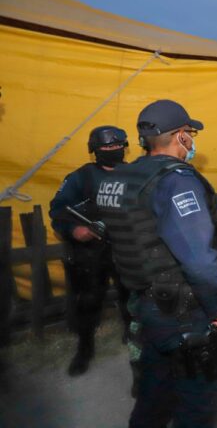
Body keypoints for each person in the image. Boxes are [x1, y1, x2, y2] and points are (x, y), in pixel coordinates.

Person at [96, 100, 217, 427]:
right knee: (198, 404)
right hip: (182, 311)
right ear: (180, 135)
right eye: (190, 132)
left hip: (144, 304)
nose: (192, 139)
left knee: (154, 394)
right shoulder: (176, 180)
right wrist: (216, 308)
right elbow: (198, 260)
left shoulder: (121, 176)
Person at [49, 125, 131, 376]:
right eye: (106, 147)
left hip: (125, 247)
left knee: (131, 296)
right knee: (88, 301)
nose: (112, 150)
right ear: (94, 150)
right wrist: (75, 231)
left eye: (117, 146)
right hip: (91, 252)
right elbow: (58, 209)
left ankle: (132, 334)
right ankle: (84, 349)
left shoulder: (134, 174)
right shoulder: (80, 178)